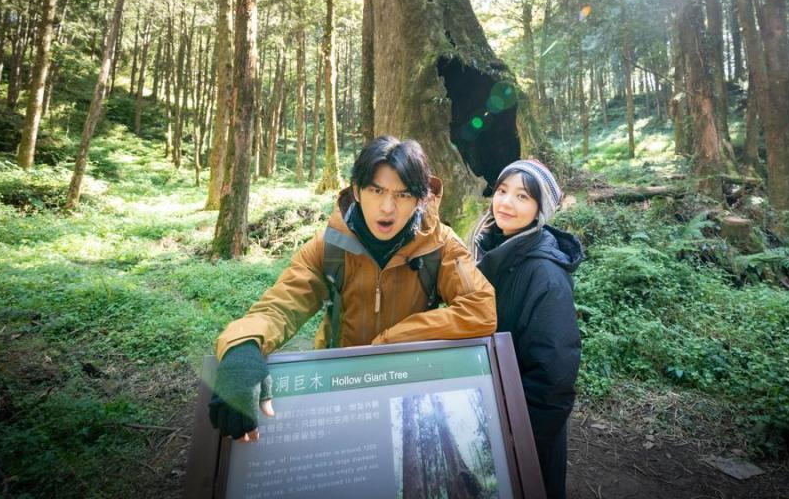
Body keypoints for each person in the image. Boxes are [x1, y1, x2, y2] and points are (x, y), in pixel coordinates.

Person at [208, 136, 497, 441]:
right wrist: (243, 348)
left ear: (419, 199)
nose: (388, 207)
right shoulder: (330, 246)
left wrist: (393, 340)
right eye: (377, 190)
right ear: (357, 191)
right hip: (336, 386)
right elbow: (281, 304)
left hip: (406, 385)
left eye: (402, 194)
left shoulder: (441, 245)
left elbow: (480, 309)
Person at [468, 159, 582, 499]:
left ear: (539, 210)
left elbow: (555, 376)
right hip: (492, 412)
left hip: (524, 430)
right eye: (502, 191)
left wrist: (519, 440)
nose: (506, 203)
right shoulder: (490, 249)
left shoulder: (545, 276)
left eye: (522, 197)